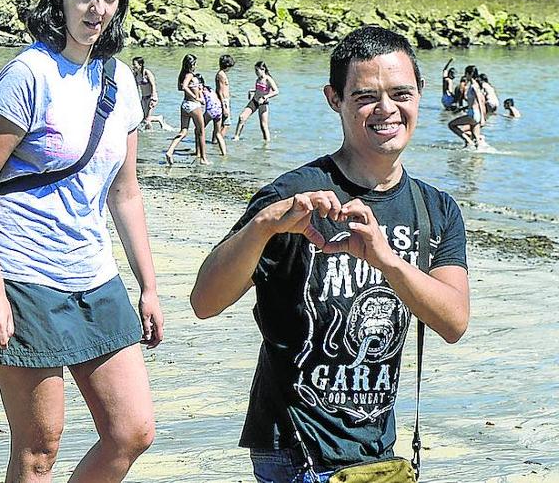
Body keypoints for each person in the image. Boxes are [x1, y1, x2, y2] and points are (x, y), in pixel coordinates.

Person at [189, 25, 470, 483]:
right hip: (293, 452)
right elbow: (205, 302)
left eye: (401, 93)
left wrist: (388, 261)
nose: (387, 110)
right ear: (334, 99)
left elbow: (454, 321)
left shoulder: (436, 209)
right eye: (365, 97)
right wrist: (262, 228)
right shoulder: (292, 197)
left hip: (379, 454)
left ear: (420, 93)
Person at [0, 0, 163, 483]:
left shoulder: (121, 81)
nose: (98, 9)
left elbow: (125, 193)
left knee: (132, 429)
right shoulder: (30, 74)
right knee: (38, 450)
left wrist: (148, 286)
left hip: (94, 275)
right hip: (23, 275)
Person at [164, 53, 208, 165]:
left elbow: (180, 87)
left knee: (183, 131)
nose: (196, 66)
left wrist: (192, 89)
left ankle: (170, 151)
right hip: (194, 105)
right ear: (191, 64)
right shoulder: (189, 75)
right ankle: (203, 159)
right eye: (195, 64)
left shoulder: (182, 74)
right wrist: (196, 96)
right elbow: (183, 87)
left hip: (185, 105)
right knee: (201, 131)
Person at [232, 61, 280, 142]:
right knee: (242, 117)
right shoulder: (258, 79)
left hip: (263, 103)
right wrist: (252, 91)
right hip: (254, 101)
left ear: (263, 69)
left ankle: (266, 142)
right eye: (255, 70)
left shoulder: (268, 79)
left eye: (257, 70)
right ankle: (236, 136)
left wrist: (265, 97)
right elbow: (260, 89)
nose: (256, 73)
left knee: (263, 126)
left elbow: (276, 91)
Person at [447, 66, 485, 148]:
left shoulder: (474, 86)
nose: (465, 76)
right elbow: (473, 102)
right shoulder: (475, 85)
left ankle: (467, 141)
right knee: (475, 137)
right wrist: (461, 109)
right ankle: (476, 154)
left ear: (470, 74)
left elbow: (479, 101)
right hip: (475, 114)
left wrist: (482, 118)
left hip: (473, 114)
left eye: (466, 73)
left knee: (451, 125)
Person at [201, 74, 227, 157]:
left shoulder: (201, 90)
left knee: (199, 130)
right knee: (218, 134)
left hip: (210, 111)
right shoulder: (209, 88)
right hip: (219, 110)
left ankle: (199, 153)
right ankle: (224, 154)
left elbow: (202, 101)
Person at [132, 57, 161, 129]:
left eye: (135, 64)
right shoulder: (135, 74)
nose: (133, 66)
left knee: (147, 119)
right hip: (143, 98)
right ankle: (147, 134)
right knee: (142, 118)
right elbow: (135, 87)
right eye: (133, 64)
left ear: (140, 64)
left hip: (151, 97)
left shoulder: (146, 73)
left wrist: (153, 97)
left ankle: (158, 119)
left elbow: (153, 85)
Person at [215, 54, 234, 148]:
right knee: (226, 124)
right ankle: (219, 143)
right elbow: (220, 91)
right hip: (223, 101)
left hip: (225, 100)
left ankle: (215, 141)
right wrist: (224, 106)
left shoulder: (221, 74)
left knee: (220, 124)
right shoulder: (221, 75)